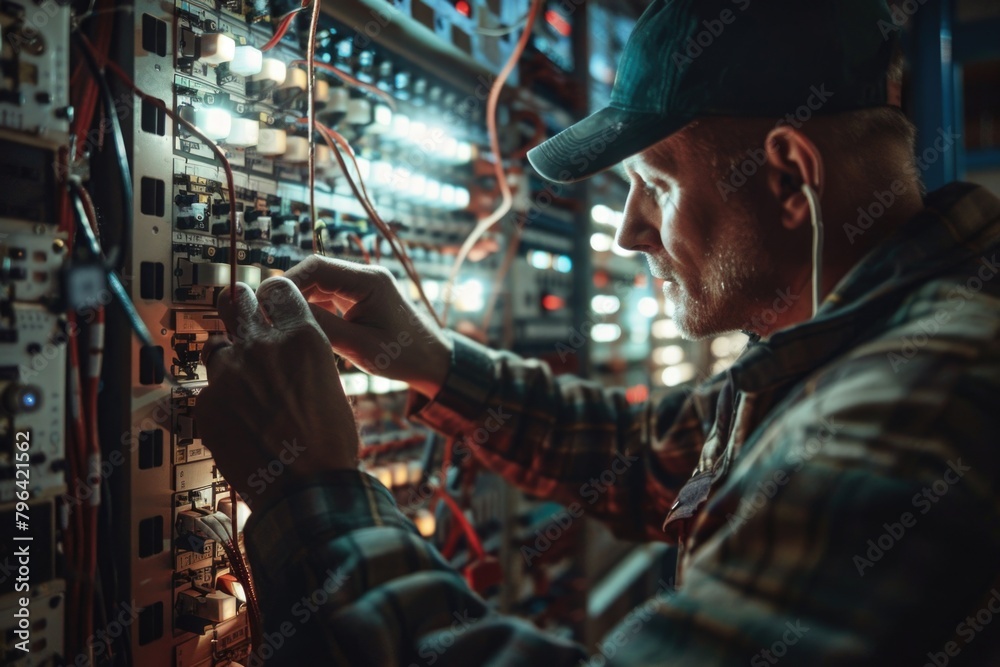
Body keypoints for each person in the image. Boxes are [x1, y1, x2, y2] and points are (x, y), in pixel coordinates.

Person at [196, 0, 1000, 664]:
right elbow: (646, 454)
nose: (628, 232)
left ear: (789, 176)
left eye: (654, 184)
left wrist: (310, 493)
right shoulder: (867, 334)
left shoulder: (914, 404)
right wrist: (432, 363)